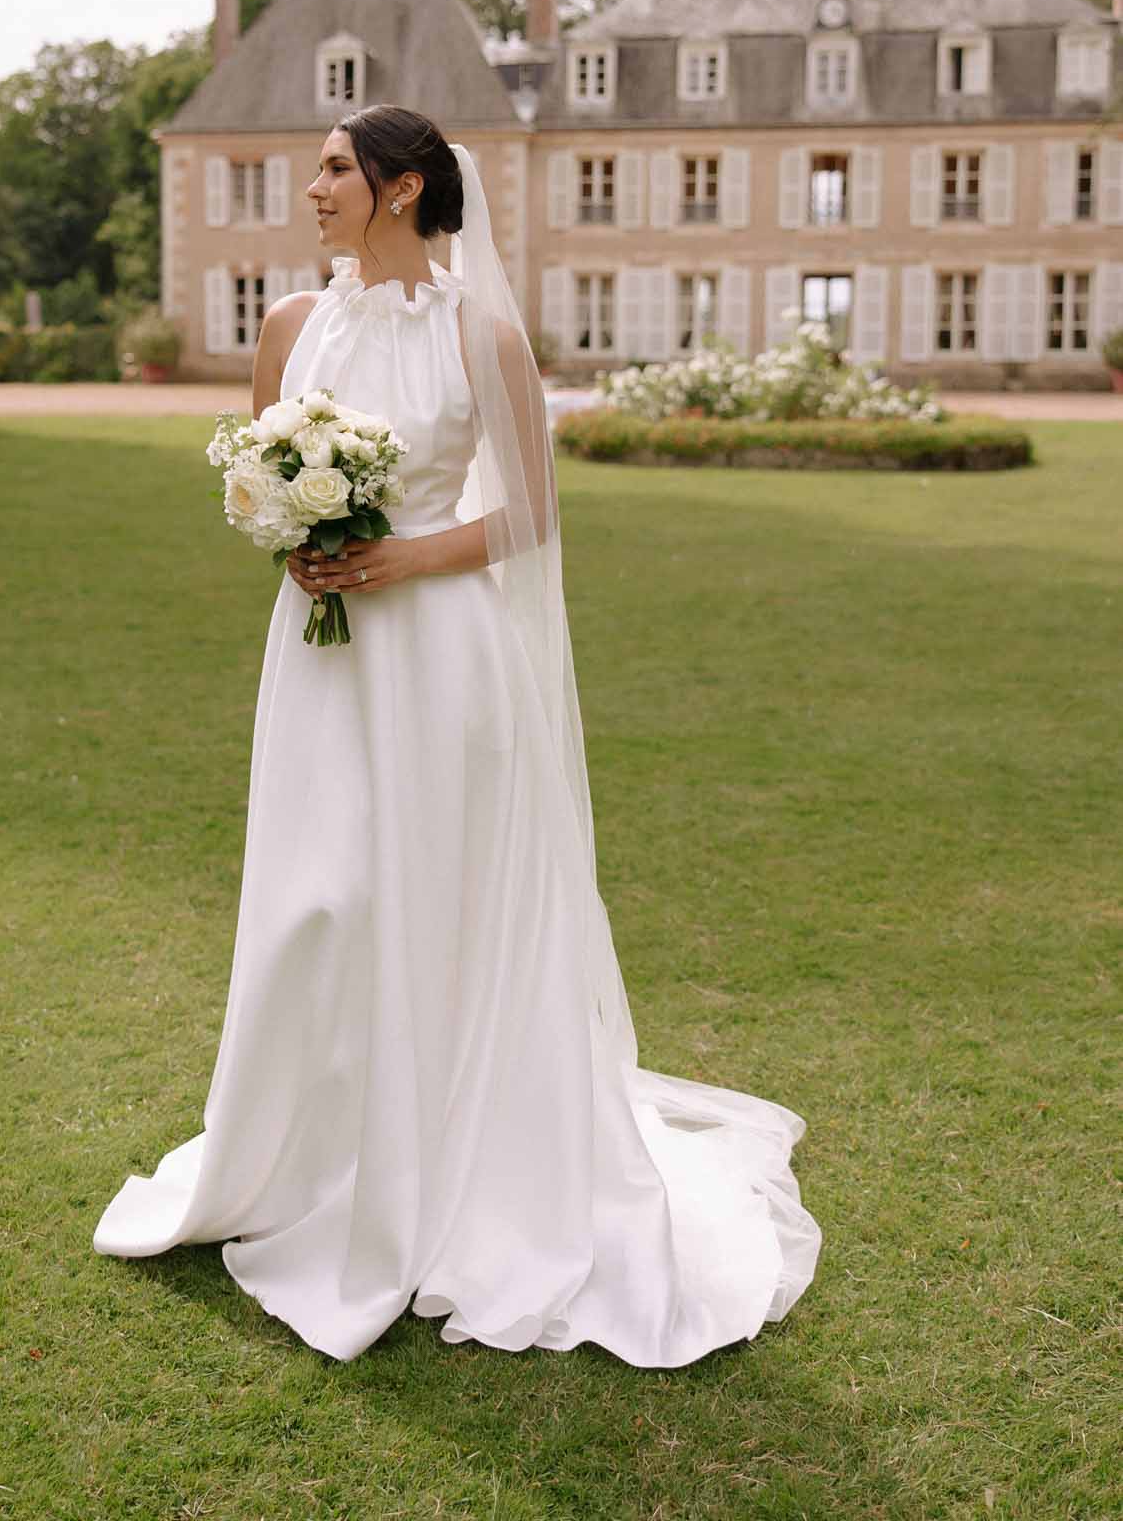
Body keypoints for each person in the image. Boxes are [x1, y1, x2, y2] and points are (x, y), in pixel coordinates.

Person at [93, 104, 821, 1364]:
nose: (312, 185)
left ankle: (460, 1158)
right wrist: (296, 539)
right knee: (316, 895)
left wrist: (391, 556)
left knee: (441, 898)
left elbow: (532, 516)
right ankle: (306, 1149)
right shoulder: (288, 327)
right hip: (320, 661)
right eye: (317, 167)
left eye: (335, 167)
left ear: (402, 185)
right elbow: (256, 482)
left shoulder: (484, 333)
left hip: (444, 658)